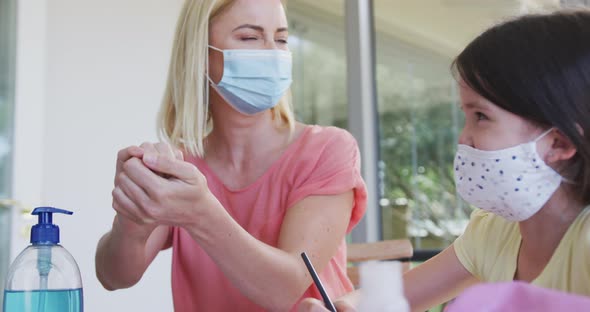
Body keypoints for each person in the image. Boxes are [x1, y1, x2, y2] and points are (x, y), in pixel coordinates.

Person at [299, 9, 590, 312]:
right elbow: (394, 298)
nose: (463, 138)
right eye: (466, 116)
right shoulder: (495, 231)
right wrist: (341, 306)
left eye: (481, 117)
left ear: (559, 142)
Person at [94, 0, 367, 311]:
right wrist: (132, 219)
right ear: (200, 54)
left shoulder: (327, 150)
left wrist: (200, 213)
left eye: (280, 39)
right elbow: (113, 276)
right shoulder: (182, 167)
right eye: (250, 38)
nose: (272, 53)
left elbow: (285, 291)